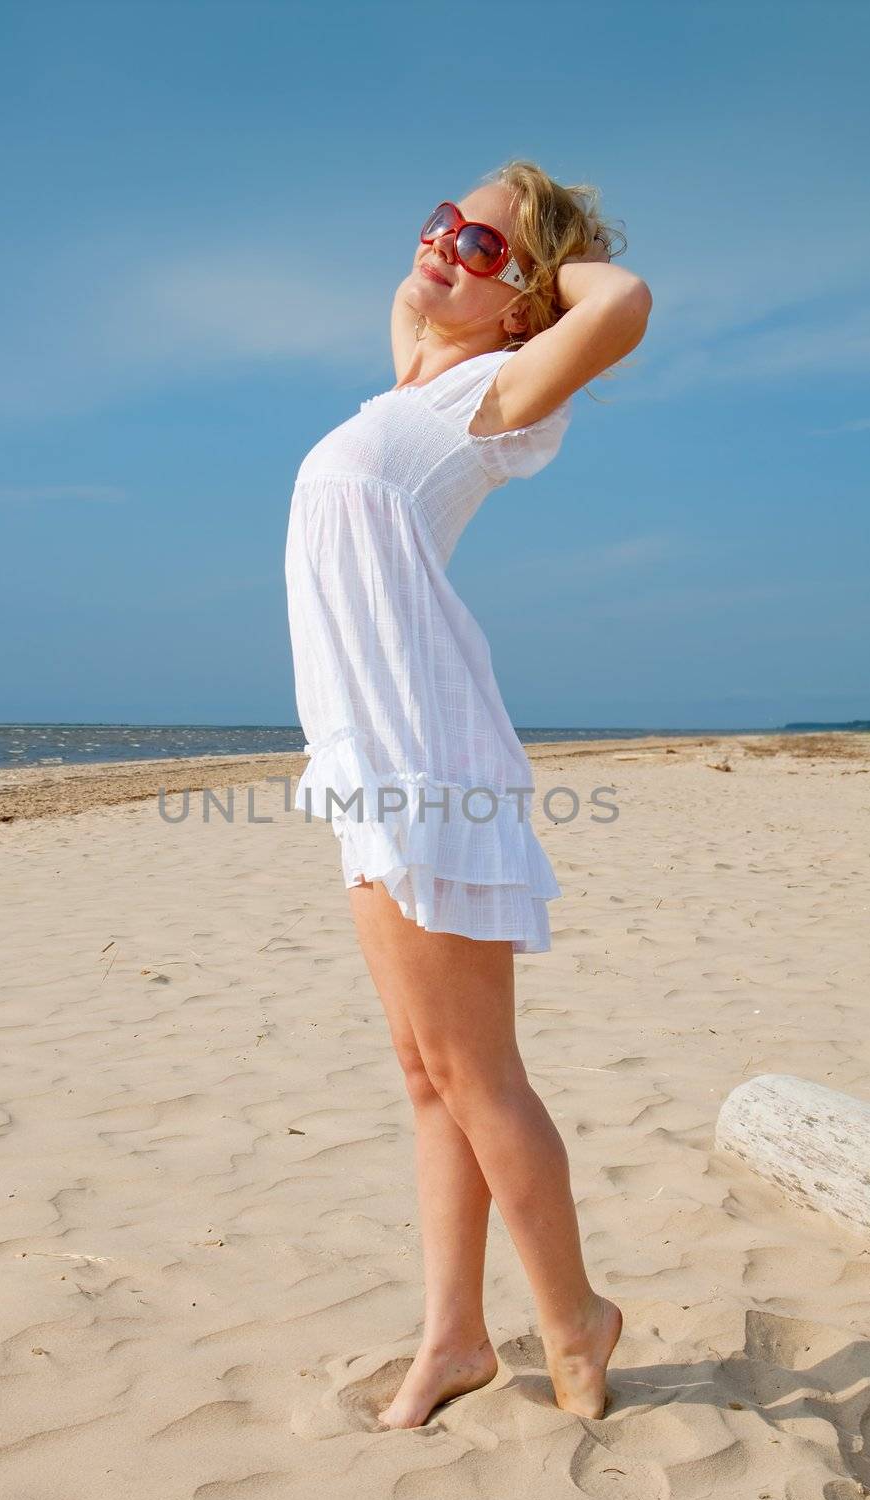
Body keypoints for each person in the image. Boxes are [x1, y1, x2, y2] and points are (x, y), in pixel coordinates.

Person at [284, 159, 652, 1430]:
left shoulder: (498, 395)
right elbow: (410, 286)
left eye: (480, 250)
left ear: (524, 304)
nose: (443, 249)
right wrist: (477, 239)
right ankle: (454, 1338)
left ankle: (572, 1317)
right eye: (441, 224)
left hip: (423, 758)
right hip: (367, 756)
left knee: (475, 1069)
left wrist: (537, 264)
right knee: (424, 1069)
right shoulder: (415, 380)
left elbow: (622, 301)